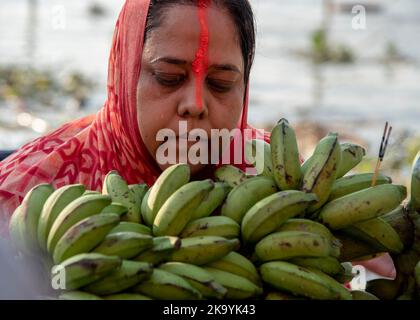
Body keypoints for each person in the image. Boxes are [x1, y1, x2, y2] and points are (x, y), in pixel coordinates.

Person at [0, 0, 394, 279]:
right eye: (169, 78)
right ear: (124, 73)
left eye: (222, 85)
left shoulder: (282, 193)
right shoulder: (29, 193)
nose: (195, 105)